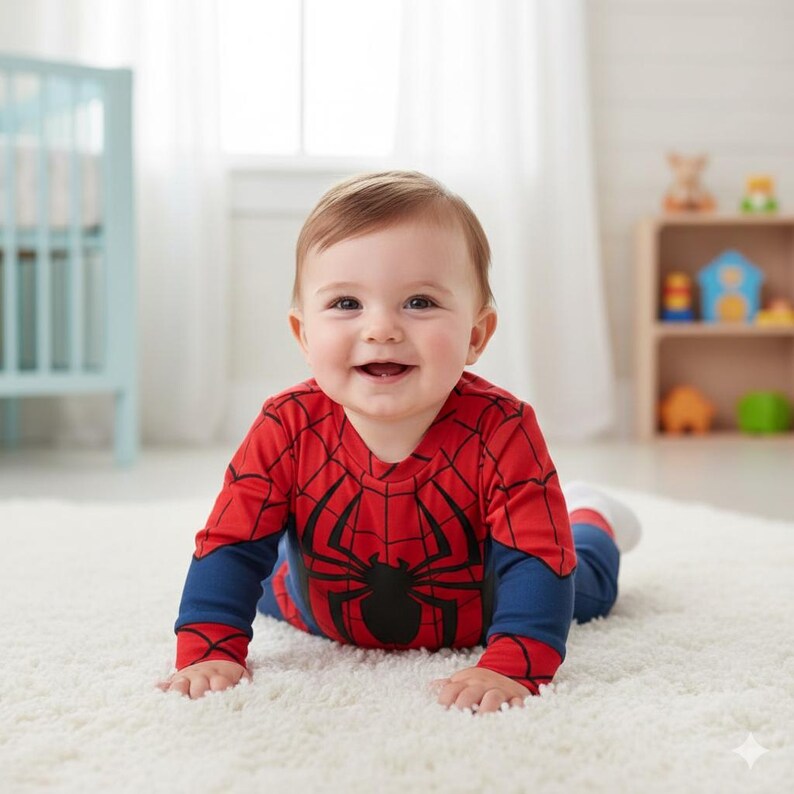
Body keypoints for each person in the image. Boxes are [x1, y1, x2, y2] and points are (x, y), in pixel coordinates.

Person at [160, 171, 641, 713]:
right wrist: (209, 648)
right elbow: (229, 543)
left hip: (481, 608)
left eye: (418, 302)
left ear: (476, 335)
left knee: (585, 583)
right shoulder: (285, 425)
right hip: (311, 599)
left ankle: (591, 517)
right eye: (346, 304)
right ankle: (288, 537)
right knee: (255, 557)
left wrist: (513, 662)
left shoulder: (503, 428)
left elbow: (535, 559)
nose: (381, 328)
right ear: (303, 335)